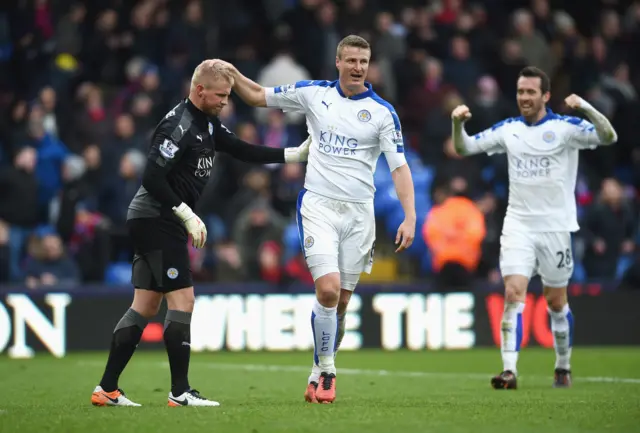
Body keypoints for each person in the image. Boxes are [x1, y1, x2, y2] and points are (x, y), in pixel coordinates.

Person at [90, 60, 311, 407]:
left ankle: (106, 389)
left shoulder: (207, 122)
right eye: (220, 95)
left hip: (156, 218)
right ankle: (180, 393)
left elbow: (241, 149)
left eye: (227, 95)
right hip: (158, 217)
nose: (225, 101)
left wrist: (293, 155)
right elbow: (151, 177)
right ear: (199, 90)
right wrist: (185, 214)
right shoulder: (178, 126)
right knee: (183, 300)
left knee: (145, 305)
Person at [214, 34, 416, 404]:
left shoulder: (384, 112)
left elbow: (399, 168)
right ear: (337, 62)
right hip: (318, 206)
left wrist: (410, 217)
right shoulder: (313, 94)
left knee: (339, 304)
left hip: (359, 215)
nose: (357, 67)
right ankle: (328, 372)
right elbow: (259, 95)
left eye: (363, 62)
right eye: (351, 60)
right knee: (327, 289)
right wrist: (232, 73)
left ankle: (316, 371)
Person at [450, 66, 618, 389]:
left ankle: (563, 365)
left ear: (545, 96)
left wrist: (585, 107)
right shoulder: (509, 129)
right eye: (520, 92)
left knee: (556, 302)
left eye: (530, 92)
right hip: (518, 226)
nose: (524, 98)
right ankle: (509, 370)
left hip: (555, 229)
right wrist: (457, 125)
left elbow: (609, 136)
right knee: (513, 293)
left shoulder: (566, 128)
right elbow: (464, 148)